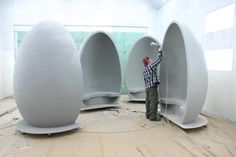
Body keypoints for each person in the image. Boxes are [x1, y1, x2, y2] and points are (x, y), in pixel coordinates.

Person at [142, 42, 162, 121]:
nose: (151, 59)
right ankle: (153, 117)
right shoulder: (151, 66)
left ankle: (148, 115)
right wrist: (160, 51)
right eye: (149, 59)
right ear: (148, 61)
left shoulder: (144, 70)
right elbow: (159, 60)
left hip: (147, 88)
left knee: (148, 102)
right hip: (152, 88)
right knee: (154, 102)